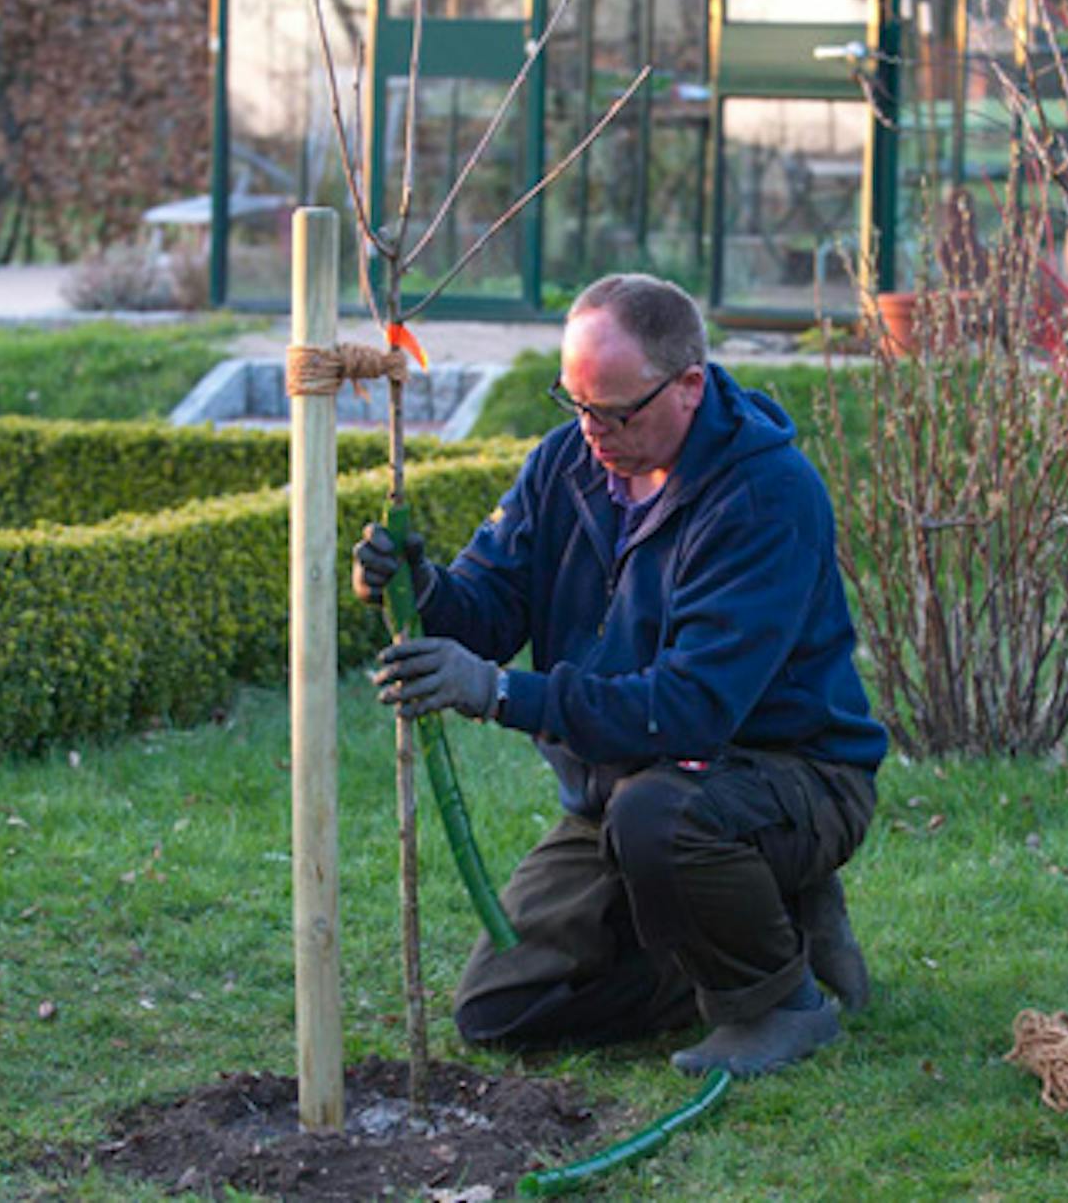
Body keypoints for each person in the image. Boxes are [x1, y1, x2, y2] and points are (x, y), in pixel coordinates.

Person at [354, 273, 885, 1077]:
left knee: (660, 820)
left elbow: (692, 708)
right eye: (575, 402)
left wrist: (498, 693)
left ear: (689, 387)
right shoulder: (566, 462)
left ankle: (778, 1006)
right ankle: (775, 933)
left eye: (614, 411)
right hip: (624, 791)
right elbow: (494, 608)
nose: (591, 430)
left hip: (786, 774)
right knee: (501, 1010)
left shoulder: (766, 496)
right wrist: (422, 591)